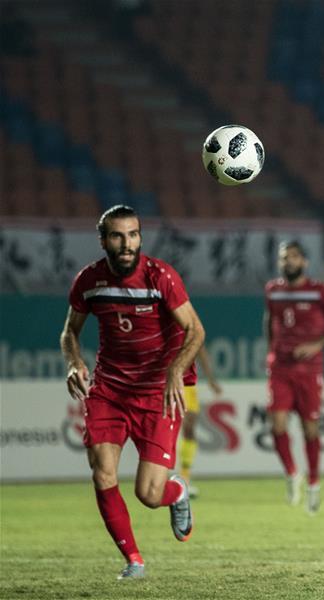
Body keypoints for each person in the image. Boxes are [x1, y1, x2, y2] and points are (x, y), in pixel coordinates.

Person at [60, 205, 204, 580]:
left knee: (149, 495)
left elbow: (196, 331)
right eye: (118, 236)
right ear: (103, 240)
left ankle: (177, 493)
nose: (127, 244)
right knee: (102, 473)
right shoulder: (89, 280)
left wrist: (175, 368)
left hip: (159, 390)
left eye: (133, 235)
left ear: (140, 237)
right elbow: (69, 332)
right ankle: (134, 561)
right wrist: (74, 362)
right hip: (109, 389)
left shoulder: (161, 277)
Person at [264, 240, 324, 514]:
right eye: (285, 257)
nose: (289, 261)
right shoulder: (273, 290)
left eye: (295, 257)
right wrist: (270, 352)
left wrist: (316, 345)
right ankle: (292, 473)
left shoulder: (320, 291)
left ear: (305, 262)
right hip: (281, 367)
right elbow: (269, 320)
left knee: (310, 428)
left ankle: (313, 483)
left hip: (310, 370)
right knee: (277, 423)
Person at [177, 345, 223, 498]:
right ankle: (159, 478)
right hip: (162, 381)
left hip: (186, 383)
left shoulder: (189, 323)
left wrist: (211, 379)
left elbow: (200, 349)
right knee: (164, 429)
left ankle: (184, 479)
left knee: (189, 428)